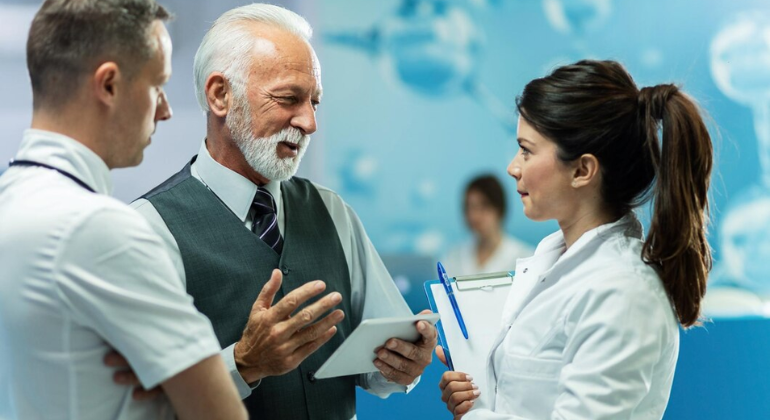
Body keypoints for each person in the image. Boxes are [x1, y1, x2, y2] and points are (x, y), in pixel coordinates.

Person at [128, 4, 437, 419]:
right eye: (290, 98)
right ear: (220, 95)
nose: (309, 122)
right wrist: (243, 362)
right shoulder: (147, 230)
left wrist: (403, 366)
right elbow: (139, 400)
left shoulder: (333, 213)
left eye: (315, 102)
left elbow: (379, 366)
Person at [0, 1, 247, 419]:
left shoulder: (12, 204)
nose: (165, 110)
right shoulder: (100, 231)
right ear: (109, 85)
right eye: (158, 86)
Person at [438, 60, 713, 419]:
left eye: (526, 150)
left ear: (583, 170)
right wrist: (479, 396)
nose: (513, 167)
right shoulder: (551, 260)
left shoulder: (623, 292)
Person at [443, 174, 533, 276]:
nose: (474, 216)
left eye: (483, 206)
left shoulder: (524, 258)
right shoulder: (454, 257)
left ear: (499, 209)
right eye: (470, 207)